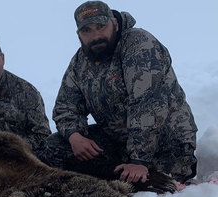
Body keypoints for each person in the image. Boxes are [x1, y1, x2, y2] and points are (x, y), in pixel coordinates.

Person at [38, 1, 197, 185]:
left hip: (164, 145)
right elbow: (65, 106)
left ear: (115, 24)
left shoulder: (139, 44)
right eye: (87, 30)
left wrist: (139, 160)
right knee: (52, 150)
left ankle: (174, 188)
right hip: (119, 145)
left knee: (142, 186)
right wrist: (75, 136)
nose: (95, 35)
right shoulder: (80, 62)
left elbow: (148, 104)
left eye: (100, 27)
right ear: (78, 35)